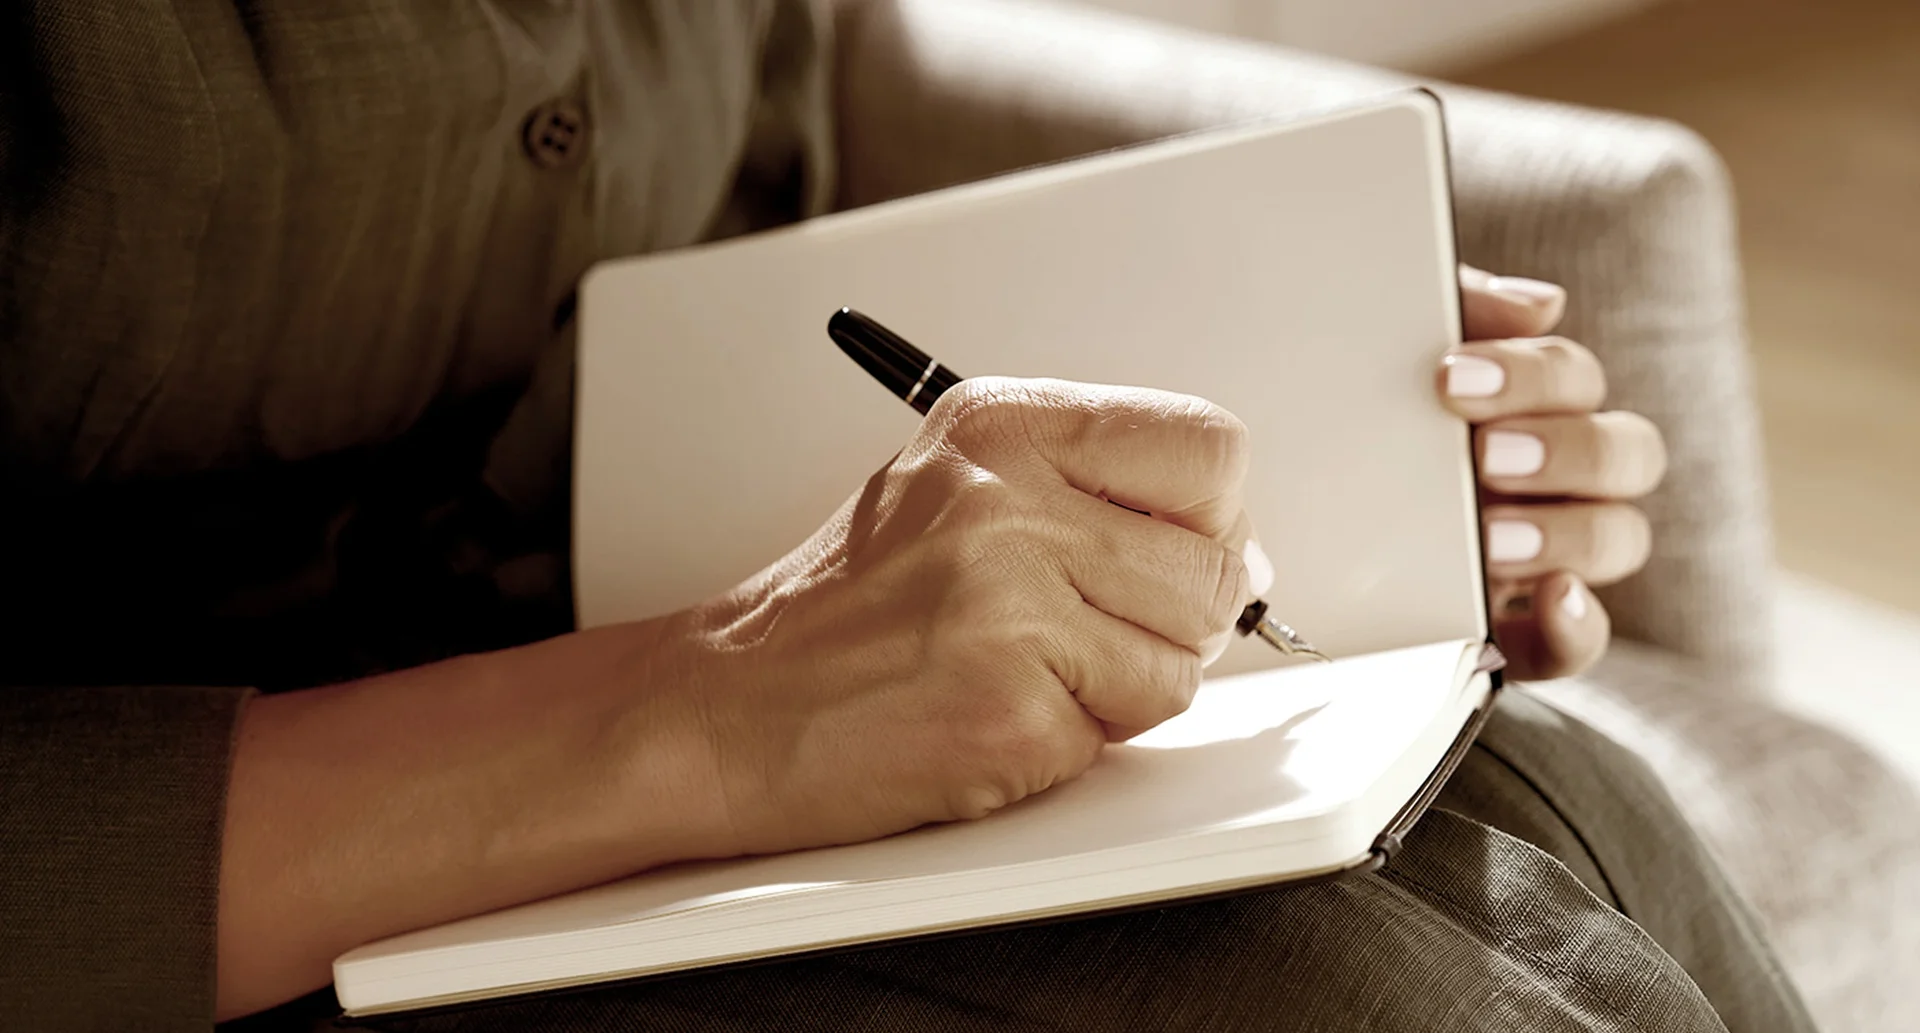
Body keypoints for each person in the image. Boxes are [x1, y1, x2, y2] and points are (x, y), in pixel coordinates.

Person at [0, 2, 1818, 1031]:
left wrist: (1345, 458)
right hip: (233, 903)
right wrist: (699, 707)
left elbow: (761, 218)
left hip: (619, 644)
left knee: (1570, 800)